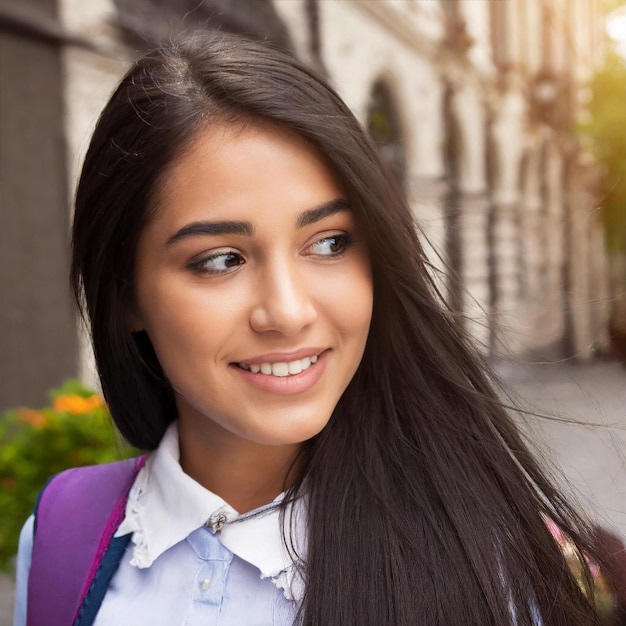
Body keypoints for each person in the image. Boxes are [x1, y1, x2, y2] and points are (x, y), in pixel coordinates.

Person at [14, 31, 605, 626]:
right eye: (222, 259)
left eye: (329, 243)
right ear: (126, 295)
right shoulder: (64, 537)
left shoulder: (485, 567)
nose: (289, 312)